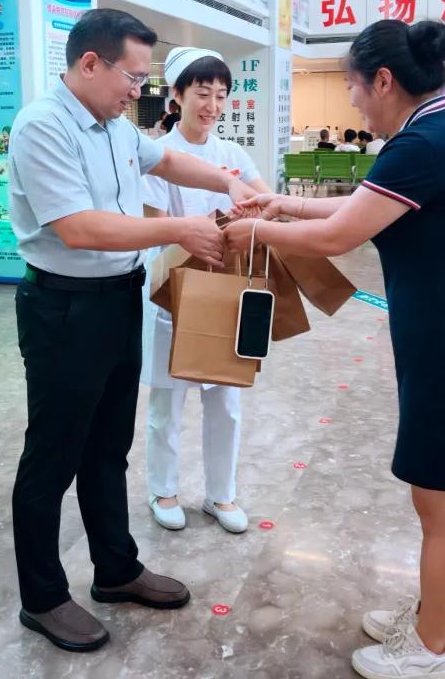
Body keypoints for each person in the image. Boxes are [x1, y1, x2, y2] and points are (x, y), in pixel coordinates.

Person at [224, 19, 445, 679]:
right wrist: (278, 203)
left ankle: (433, 649)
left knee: (440, 507)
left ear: (383, 81)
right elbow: (351, 212)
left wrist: (254, 231)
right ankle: (433, 617)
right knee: (440, 500)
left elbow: (338, 237)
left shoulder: (423, 143)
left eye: (355, 87)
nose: (354, 102)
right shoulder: (434, 132)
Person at [7, 9, 260, 653]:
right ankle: (42, 596)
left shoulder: (117, 128)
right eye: (133, 76)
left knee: (108, 447)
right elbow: (79, 228)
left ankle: (115, 569)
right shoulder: (43, 126)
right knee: (52, 457)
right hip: (64, 309)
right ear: (91, 63)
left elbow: (168, 162)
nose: (138, 91)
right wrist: (179, 229)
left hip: (118, 298)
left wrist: (230, 182)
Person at [141, 47, 272, 535]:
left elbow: (265, 202)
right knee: (168, 401)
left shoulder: (231, 155)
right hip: (173, 292)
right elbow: (157, 227)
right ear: (176, 95)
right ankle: (163, 489)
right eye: (202, 93)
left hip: (226, 291)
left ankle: (221, 494)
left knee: (227, 402)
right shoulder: (159, 155)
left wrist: (256, 213)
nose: (213, 105)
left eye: (221, 95)